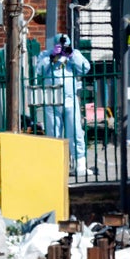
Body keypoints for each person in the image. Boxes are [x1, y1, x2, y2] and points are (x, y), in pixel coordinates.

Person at [36, 33, 93, 176]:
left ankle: (80, 162)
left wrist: (72, 55)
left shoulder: (74, 54)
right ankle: (56, 164)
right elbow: (39, 71)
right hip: (51, 98)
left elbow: (85, 68)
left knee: (75, 131)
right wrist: (51, 58)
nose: (62, 48)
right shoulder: (45, 55)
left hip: (69, 98)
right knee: (53, 132)